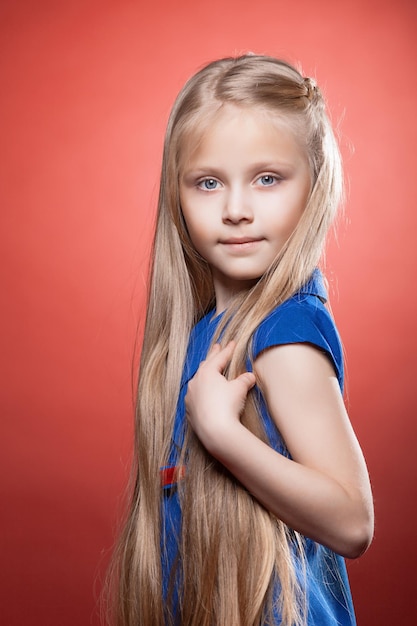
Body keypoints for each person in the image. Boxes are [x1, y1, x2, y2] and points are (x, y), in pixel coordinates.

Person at [109, 54, 374, 626]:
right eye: (208, 183)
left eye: (268, 179)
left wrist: (222, 434)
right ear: (176, 196)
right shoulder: (206, 332)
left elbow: (353, 522)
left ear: (315, 186)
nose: (235, 210)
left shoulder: (284, 335)